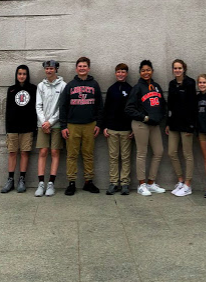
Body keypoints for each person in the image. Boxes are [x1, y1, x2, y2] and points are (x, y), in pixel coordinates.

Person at [59, 56, 103, 195]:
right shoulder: (70, 85)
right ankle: (71, 182)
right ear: (76, 68)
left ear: (88, 68)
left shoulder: (94, 84)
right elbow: (63, 106)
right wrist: (63, 126)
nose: (82, 68)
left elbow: (100, 106)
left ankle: (88, 182)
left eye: (85, 66)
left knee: (88, 154)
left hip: (90, 125)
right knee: (72, 155)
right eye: (80, 66)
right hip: (72, 125)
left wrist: (99, 124)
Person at [125, 60, 167, 196]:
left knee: (158, 151)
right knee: (142, 153)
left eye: (148, 70)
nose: (146, 72)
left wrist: (161, 116)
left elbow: (163, 104)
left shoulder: (156, 86)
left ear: (152, 71)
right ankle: (141, 184)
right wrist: (144, 117)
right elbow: (129, 109)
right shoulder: (137, 88)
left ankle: (151, 183)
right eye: (143, 70)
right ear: (140, 73)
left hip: (154, 125)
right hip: (141, 124)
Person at [1, 64, 37, 193]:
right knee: (12, 152)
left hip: (27, 127)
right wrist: (7, 128)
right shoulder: (11, 90)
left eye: (24, 74)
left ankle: (22, 179)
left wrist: (34, 127)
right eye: (19, 74)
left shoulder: (33, 89)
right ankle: (10, 179)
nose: (22, 76)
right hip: (12, 127)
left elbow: (35, 109)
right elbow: (8, 110)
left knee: (24, 153)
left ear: (27, 75)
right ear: (16, 75)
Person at [34, 60, 66, 197]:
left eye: (51, 68)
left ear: (56, 69)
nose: (49, 71)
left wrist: (51, 122)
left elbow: (62, 107)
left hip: (57, 125)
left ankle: (51, 183)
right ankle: (41, 183)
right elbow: (38, 105)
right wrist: (44, 122)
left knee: (54, 152)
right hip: (42, 125)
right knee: (43, 152)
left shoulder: (63, 86)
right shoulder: (41, 86)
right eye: (47, 68)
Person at [166, 59, 197, 197]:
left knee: (187, 154)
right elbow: (170, 105)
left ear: (184, 69)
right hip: (174, 124)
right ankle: (180, 180)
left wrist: (191, 125)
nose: (177, 70)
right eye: (175, 68)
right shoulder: (172, 84)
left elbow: (193, 105)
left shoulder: (190, 83)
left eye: (179, 68)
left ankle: (188, 185)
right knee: (172, 152)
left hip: (186, 125)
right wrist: (168, 122)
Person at [102, 63, 133, 196]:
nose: (120, 74)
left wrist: (133, 128)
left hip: (126, 129)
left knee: (125, 157)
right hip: (112, 129)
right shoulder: (111, 89)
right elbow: (106, 109)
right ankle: (114, 182)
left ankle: (125, 183)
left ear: (126, 74)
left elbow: (133, 110)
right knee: (113, 157)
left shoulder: (131, 89)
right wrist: (105, 127)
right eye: (118, 72)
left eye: (123, 72)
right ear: (115, 74)